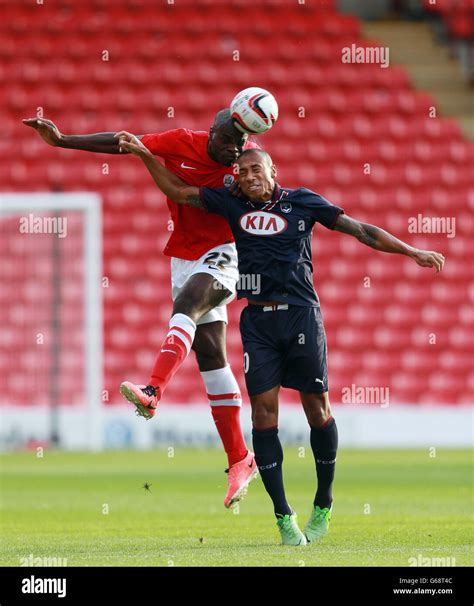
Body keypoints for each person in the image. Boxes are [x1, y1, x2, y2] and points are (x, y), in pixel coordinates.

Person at [117, 132, 446, 546]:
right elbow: (179, 193)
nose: (250, 175)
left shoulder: (303, 202)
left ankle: (323, 501)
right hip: (258, 322)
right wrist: (146, 155)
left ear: (274, 172)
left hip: (303, 317)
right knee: (263, 417)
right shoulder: (231, 202)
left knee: (317, 409)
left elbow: (360, 229)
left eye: (258, 169)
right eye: (243, 171)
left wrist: (411, 251)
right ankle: (283, 516)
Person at [22, 111, 260, 509]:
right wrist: (63, 140)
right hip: (184, 257)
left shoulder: (243, 165)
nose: (233, 152)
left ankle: (153, 390)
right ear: (213, 134)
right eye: (227, 143)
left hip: (225, 254)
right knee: (213, 358)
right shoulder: (183, 141)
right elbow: (125, 140)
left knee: (187, 304)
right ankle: (240, 458)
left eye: (239, 146)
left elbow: (264, 182)